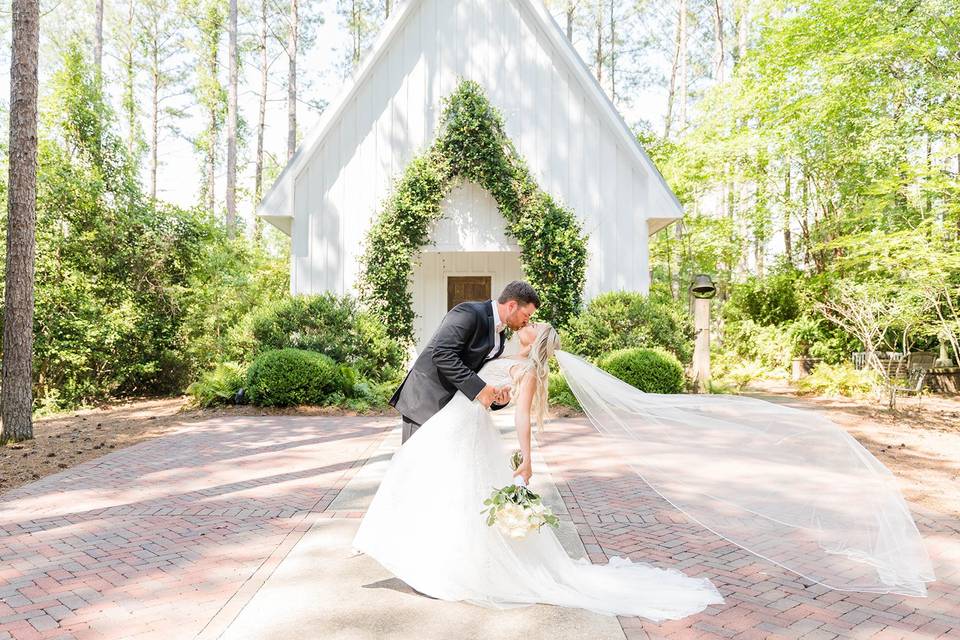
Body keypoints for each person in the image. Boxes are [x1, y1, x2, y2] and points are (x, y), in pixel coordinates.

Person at [354, 321, 724, 620]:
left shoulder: (527, 369)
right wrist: (493, 395)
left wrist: (526, 459)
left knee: (449, 491)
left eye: (534, 324)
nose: (527, 323)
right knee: (429, 481)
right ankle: (422, 554)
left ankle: (444, 564)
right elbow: (486, 390)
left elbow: (521, 416)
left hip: (465, 430)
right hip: (454, 422)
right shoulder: (503, 352)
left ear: (535, 340)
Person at [390, 280, 539, 444]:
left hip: (453, 408)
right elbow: (442, 353)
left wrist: (497, 400)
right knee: (414, 464)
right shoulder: (469, 312)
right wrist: (480, 389)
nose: (527, 321)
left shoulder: (500, 335)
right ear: (511, 306)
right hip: (425, 401)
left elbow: (479, 371)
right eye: (527, 315)